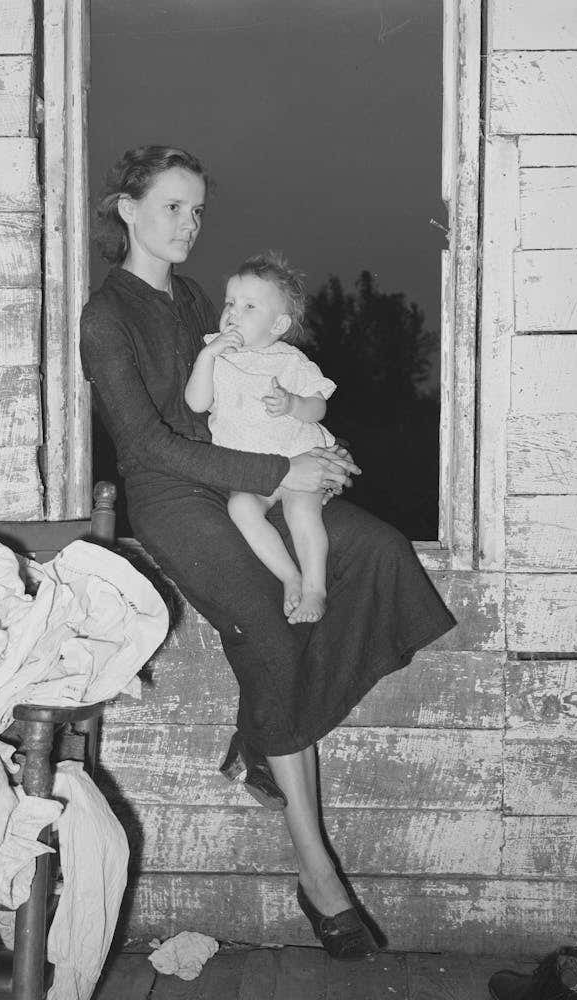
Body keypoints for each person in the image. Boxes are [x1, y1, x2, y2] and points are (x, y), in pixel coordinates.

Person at [80, 145, 457, 961]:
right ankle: (317, 868)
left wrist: (312, 443)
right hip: (175, 497)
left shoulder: (191, 300)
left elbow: (258, 390)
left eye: (199, 209)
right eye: (175, 206)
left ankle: (264, 736)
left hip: (245, 476)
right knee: (267, 621)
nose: (191, 224)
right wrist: (281, 466)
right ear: (127, 211)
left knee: (378, 551)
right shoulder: (104, 316)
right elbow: (147, 446)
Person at [185, 251, 336, 625]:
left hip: (298, 459)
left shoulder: (290, 361)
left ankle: (316, 587)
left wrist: (292, 404)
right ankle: (290, 576)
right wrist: (207, 358)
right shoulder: (216, 354)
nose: (233, 312)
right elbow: (196, 402)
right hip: (252, 472)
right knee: (241, 509)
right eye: (230, 303)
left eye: (249, 306)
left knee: (302, 512)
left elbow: (318, 408)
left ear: (278, 323)